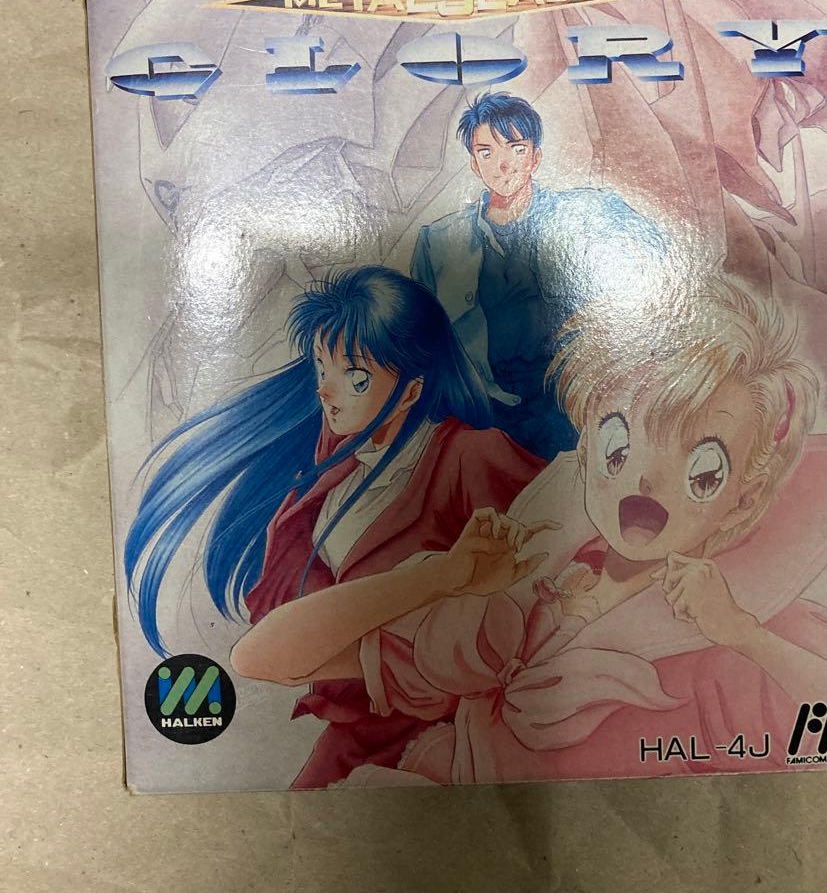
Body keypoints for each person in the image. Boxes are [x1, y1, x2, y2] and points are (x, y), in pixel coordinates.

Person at [313, 276, 827, 785]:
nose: (646, 480)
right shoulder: (540, 570)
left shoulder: (745, 633)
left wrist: (744, 634)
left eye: (702, 471)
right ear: (585, 442)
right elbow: (288, 659)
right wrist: (445, 581)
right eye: (619, 445)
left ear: (743, 498)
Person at [125, 265, 546, 788]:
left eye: (355, 376)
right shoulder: (338, 470)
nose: (325, 390)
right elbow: (281, 641)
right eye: (321, 367)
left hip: (447, 731)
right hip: (358, 722)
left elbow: (552, 555)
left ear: (411, 391)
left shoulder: (469, 456)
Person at [410, 91, 667, 461]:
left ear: (535, 157)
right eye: (486, 152)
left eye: (516, 148)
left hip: (577, 416)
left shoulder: (585, 214)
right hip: (486, 423)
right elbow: (423, 348)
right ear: (474, 164)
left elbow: (659, 259)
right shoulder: (437, 243)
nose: (502, 164)